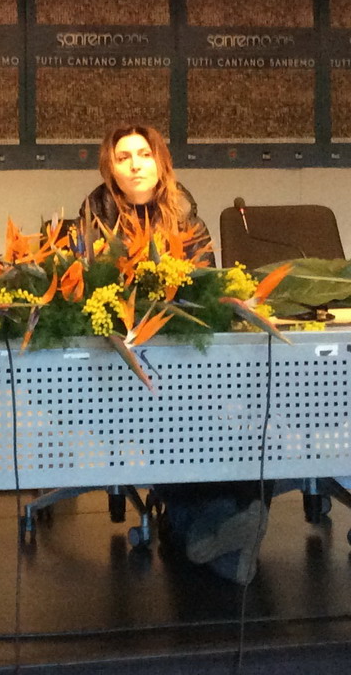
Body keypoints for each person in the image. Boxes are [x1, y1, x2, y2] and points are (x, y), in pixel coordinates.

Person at [80, 122, 269, 585]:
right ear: (110, 169)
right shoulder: (92, 223)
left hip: (187, 364)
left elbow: (205, 294)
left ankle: (218, 541)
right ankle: (225, 531)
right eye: (123, 157)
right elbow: (85, 299)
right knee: (170, 425)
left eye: (144, 154)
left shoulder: (188, 221)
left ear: (160, 162)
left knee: (211, 424)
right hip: (121, 374)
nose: (135, 165)